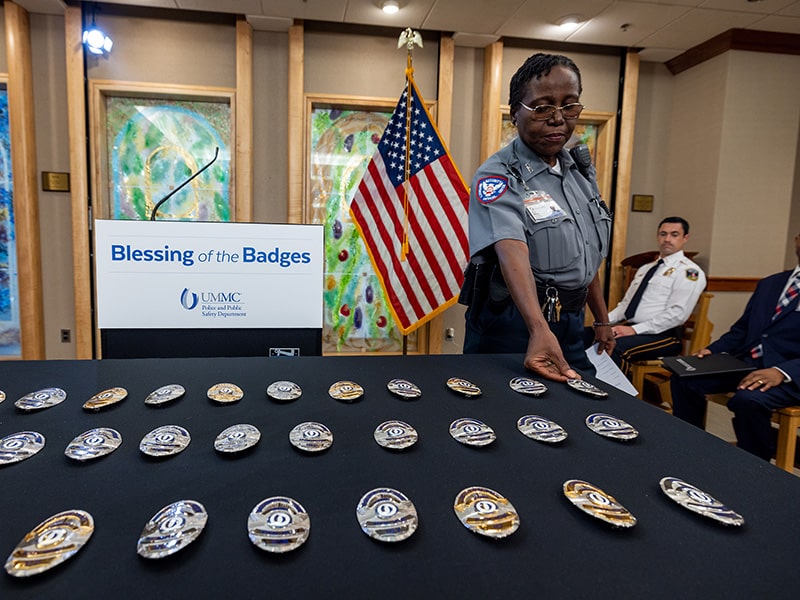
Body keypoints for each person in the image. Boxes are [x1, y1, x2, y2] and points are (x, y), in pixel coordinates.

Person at [460, 53, 614, 381]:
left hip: (569, 320)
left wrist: (600, 318)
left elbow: (586, 254)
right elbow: (510, 249)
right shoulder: (498, 175)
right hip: (514, 324)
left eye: (569, 105)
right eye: (543, 107)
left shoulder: (579, 171)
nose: (558, 119)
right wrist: (538, 329)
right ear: (515, 111)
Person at [671, 232, 800, 461]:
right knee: (684, 377)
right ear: (796, 241)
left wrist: (782, 372)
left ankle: (754, 465)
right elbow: (742, 330)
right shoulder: (770, 284)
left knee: (748, 400)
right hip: (748, 361)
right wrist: (712, 350)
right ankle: (690, 449)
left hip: (790, 373)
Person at [600, 216, 706, 375]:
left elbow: (677, 314)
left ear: (685, 238)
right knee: (585, 336)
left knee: (615, 346)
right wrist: (602, 323)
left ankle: (620, 397)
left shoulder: (688, 272)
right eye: (663, 234)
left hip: (664, 336)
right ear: (657, 236)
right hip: (633, 329)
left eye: (674, 234)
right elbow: (625, 306)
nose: (667, 239)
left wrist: (635, 330)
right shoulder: (645, 269)